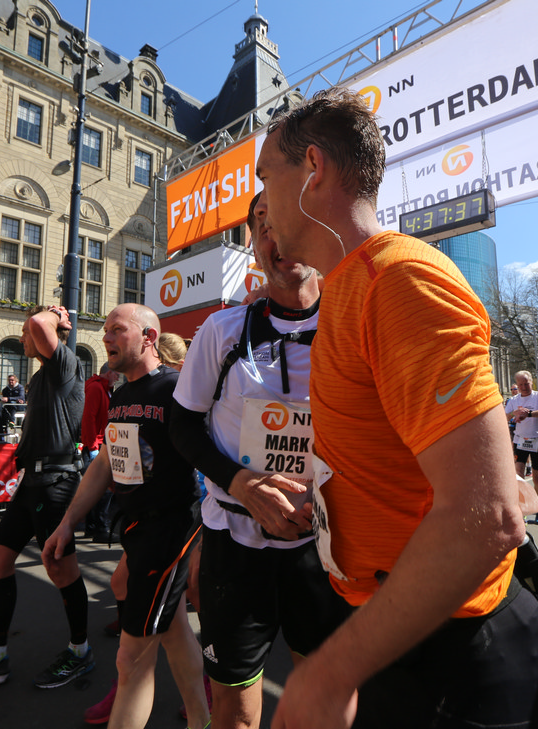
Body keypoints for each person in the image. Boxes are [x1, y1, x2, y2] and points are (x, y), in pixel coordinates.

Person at [254, 87, 538, 729]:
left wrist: (331, 672)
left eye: (265, 177)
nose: (262, 204)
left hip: (452, 648)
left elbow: (487, 516)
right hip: (400, 627)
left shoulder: (398, 281)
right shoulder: (348, 287)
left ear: (313, 168)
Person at [165, 194, 349, 729]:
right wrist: (243, 484)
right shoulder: (222, 331)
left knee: (327, 699)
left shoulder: (351, 325)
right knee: (236, 714)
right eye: (260, 225)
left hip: (326, 547)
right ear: (251, 246)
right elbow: (182, 426)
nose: (275, 236)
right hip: (236, 549)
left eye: (284, 220)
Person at [42, 303, 209, 729]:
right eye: (106, 331)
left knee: (130, 658)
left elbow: (215, 454)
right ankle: (203, 719)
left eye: (117, 329)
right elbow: (104, 463)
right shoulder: (121, 394)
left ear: (149, 337)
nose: (106, 337)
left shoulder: (178, 388)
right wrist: (68, 522)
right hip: (136, 528)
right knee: (174, 631)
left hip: (169, 531)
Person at [0, 305, 92, 690]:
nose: (24, 337)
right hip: (32, 483)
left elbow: (40, 324)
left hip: (56, 481)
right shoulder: (41, 376)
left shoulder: (66, 365)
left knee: (60, 568)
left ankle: (80, 651)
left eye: (27, 333)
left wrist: (55, 316)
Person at [504, 371, 538, 526]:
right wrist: (513, 413)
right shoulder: (513, 400)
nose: (523, 387)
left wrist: (530, 414)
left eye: (526, 383)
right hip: (520, 441)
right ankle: (522, 510)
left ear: (531, 382)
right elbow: (503, 417)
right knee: (519, 475)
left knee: (537, 479)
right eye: (520, 384)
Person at [80, 364, 120, 542]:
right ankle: (100, 528)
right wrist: (93, 447)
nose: (118, 378)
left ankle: (92, 527)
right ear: (109, 373)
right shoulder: (97, 388)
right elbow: (88, 418)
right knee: (104, 489)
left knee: (94, 488)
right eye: (116, 374)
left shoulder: (101, 388)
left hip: (98, 445)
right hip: (97, 446)